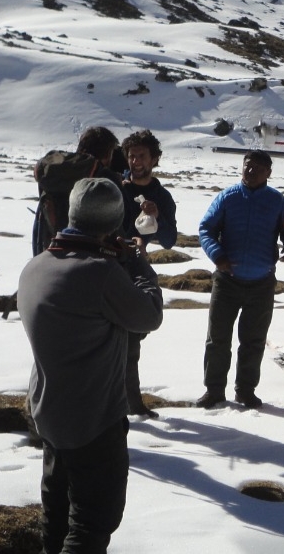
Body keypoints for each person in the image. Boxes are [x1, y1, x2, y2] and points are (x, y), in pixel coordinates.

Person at [18, 178, 164, 554]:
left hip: (49, 411)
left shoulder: (35, 267)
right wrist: (134, 261)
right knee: (92, 523)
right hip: (94, 419)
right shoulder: (101, 273)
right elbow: (148, 315)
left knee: (58, 511)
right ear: (114, 224)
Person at [196, 150, 284, 409]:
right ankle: (214, 391)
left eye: (256, 168)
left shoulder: (277, 201)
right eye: (247, 166)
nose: (250, 171)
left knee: (253, 342)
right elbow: (206, 229)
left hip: (262, 282)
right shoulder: (228, 198)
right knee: (218, 339)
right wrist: (217, 255)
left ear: (268, 173)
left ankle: (245, 391)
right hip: (226, 281)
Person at [118, 129, 178, 419]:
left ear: (154, 159)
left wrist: (158, 217)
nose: (135, 160)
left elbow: (169, 240)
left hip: (137, 272)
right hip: (110, 267)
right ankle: (126, 402)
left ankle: (131, 402)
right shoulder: (116, 188)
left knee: (132, 337)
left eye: (141, 155)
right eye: (131, 155)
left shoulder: (162, 196)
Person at [32, 126, 123, 256]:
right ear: (108, 154)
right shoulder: (105, 179)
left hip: (49, 252)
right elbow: (116, 228)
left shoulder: (53, 170)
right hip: (90, 258)